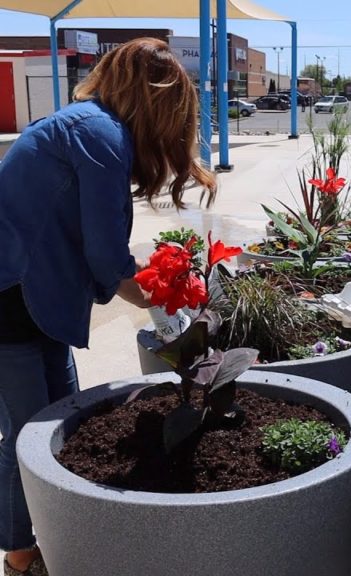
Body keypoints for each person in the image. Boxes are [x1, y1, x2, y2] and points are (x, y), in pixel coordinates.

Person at [0, 38, 216, 574]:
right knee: (28, 435)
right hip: (12, 298)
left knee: (60, 418)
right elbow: (107, 256)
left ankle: (53, 532)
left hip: (36, 295)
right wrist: (167, 312)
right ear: (156, 100)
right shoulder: (96, 133)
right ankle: (20, 554)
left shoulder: (92, 126)